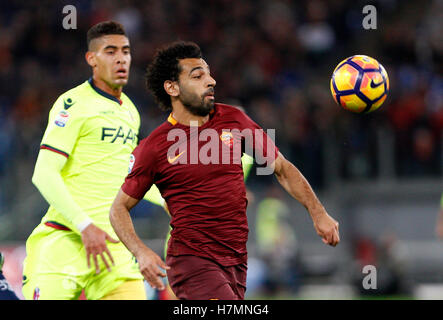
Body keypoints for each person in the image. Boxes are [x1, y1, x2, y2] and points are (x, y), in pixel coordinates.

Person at [109, 41, 340, 300]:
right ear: (172, 87)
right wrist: (141, 252)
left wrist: (318, 213)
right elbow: (118, 208)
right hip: (191, 261)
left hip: (236, 261)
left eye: (208, 73)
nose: (211, 81)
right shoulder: (155, 147)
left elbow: (283, 169)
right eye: (198, 76)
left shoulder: (234, 120)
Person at [22, 21, 147, 300]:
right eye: (110, 51)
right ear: (92, 59)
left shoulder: (131, 111)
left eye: (125, 51)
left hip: (113, 248)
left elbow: (130, 176)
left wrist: (171, 204)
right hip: (65, 239)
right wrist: (84, 225)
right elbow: (43, 173)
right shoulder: (73, 103)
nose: (121, 58)